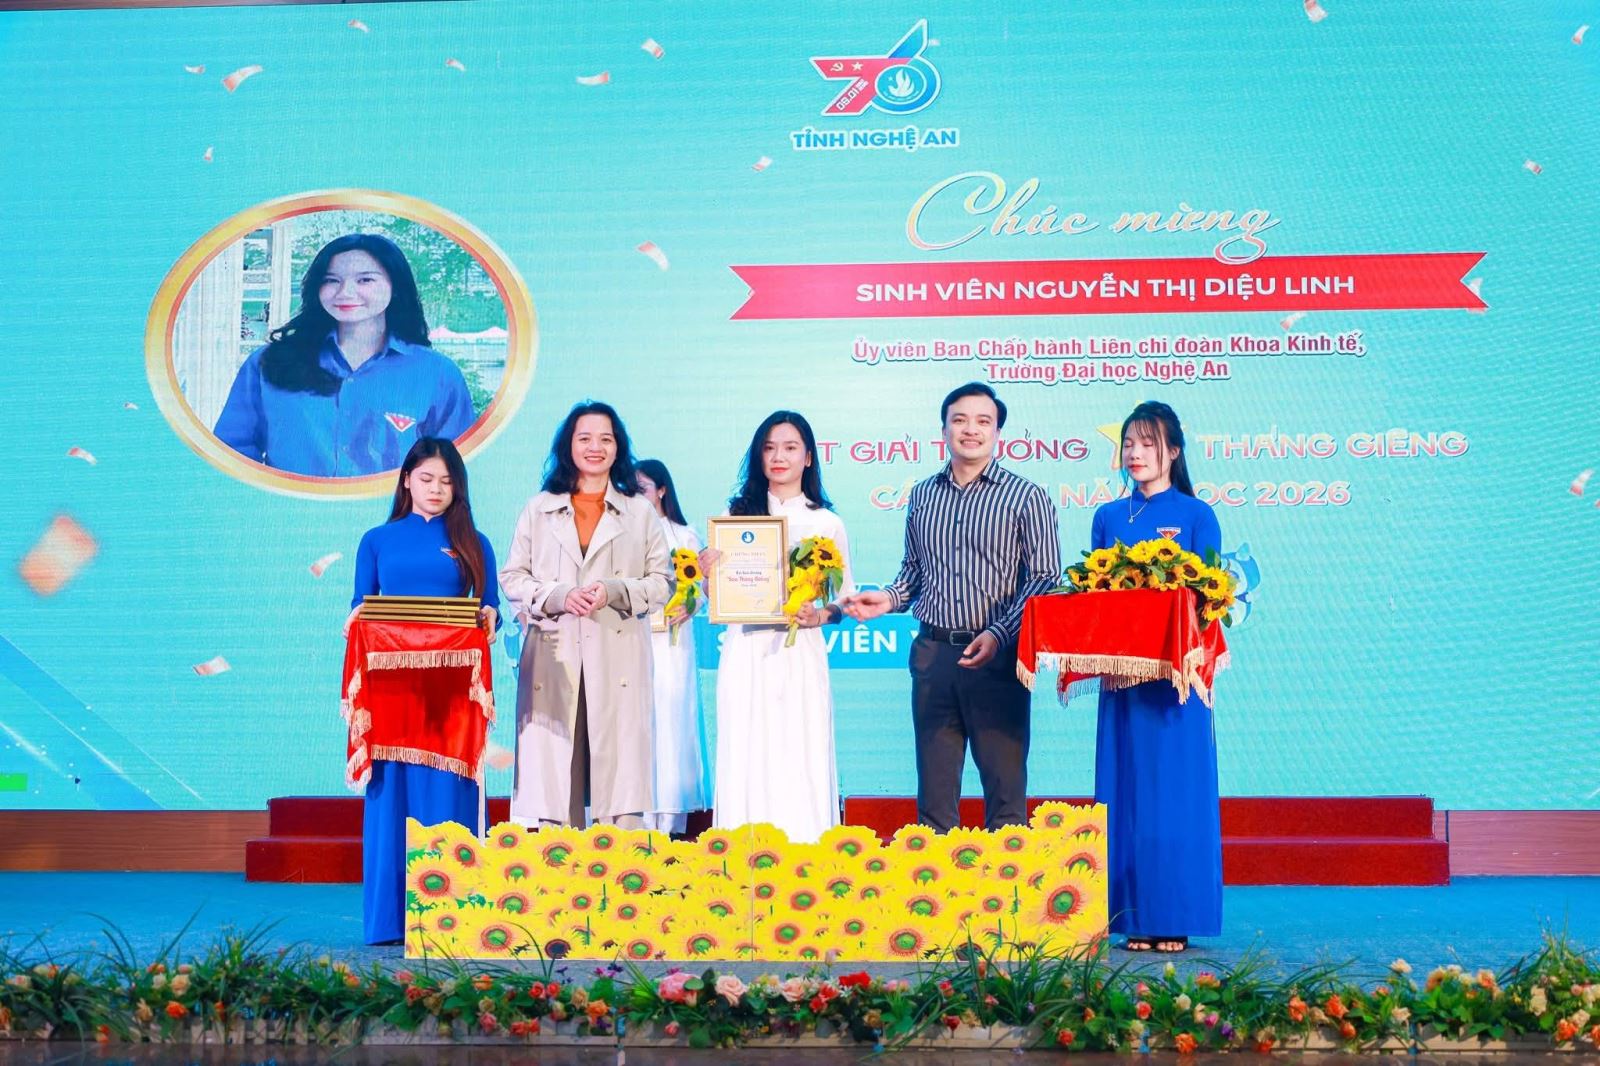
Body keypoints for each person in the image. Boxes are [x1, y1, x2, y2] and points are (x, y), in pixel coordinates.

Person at [843, 382, 1059, 832]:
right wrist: (887, 598)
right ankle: (937, 877)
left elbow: (1044, 579)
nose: (970, 430)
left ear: (998, 432)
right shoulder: (923, 494)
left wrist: (999, 634)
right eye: (960, 420)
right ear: (944, 429)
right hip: (934, 656)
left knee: (1005, 796)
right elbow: (913, 572)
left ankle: (1007, 877)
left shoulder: (1027, 496)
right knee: (935, 801)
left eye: (983, 421)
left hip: (1000, 659)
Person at [345, 436, 499, 945]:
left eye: (447, 481)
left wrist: (490, 617)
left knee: (446, 795)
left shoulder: (474, 542)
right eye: (427, 478)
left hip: (449, 696)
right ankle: (389, 923)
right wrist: (355, 620)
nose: (436, 489)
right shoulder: (376, 540)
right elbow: (360, 606)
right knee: (391, 797)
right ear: (407, 480)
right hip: (392, 691)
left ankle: (449, 921)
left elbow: (490, 608)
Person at [1090, 400, 1223, 953]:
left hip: (1176, 686)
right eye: (1129, 443)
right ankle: (1131, 917)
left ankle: (1175, 916)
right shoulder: (1108, 517)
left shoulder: (1197, 515)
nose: (1135, 453)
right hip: (1125, 682)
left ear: (1173, 451)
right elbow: (1096, 599)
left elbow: (1210, 598)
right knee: (1126, 794)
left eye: (1147, 443)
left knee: (1175, 795)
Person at [501, 401, 670, 829]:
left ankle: (625, 864)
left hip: (618, 655)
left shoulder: (639, 511)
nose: (596, 447)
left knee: (621, 776)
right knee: (557, 778)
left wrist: (615, 590)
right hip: (554, 654)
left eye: (606, 439)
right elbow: (513, 577)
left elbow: (662, 583)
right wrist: (557, 595)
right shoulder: (539, 508)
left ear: (618, 448)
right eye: (585, 438)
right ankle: (559, 863)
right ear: (569, 446)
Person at [214, 233, 476, 477]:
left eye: (365, 280)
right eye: (331, 280)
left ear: (395, 286)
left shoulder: (437, 374)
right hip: (290, 511)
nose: (345, 293)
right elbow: (232, 452)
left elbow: (456, 468)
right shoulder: (268, 363)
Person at [706, 412, 854, 843]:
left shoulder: (826, 522)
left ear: (808, 457)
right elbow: (718, 596)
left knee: (799, 746)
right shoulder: (734, 516)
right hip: (746, 650)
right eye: (769, 447)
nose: (778, 457)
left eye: (790, 448)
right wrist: (708, 572)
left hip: (799, 652)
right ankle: (742, 852)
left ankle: (806, 851)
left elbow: (844, 600)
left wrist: (818, 616)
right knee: (746, 745)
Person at [635, 458, 710, 835]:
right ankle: (638, 817)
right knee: (638, 723)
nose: (637, 496)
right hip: (634, 641)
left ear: (662, 490)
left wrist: (691, 605)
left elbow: (702, 590)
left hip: (673, 645)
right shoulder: (624, 534)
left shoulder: (684, 535)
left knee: (671, 721)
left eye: (644, 489)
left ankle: (672, 819)